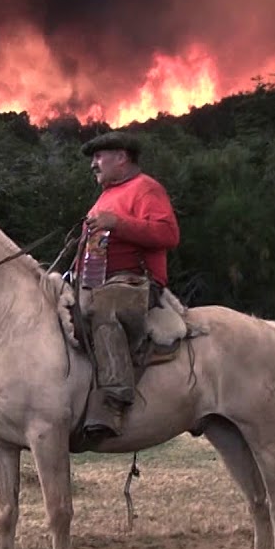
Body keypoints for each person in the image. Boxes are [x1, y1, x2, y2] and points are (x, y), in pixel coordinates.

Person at [72, 130, 180, 443]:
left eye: (98, 157)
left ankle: (114, 401)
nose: (93, 164)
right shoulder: (107, 194)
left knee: (101, 309)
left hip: (135, 282)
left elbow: (168, 235)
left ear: (121, 157)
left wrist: (117, 223)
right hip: (96, 282)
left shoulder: (146, 188)